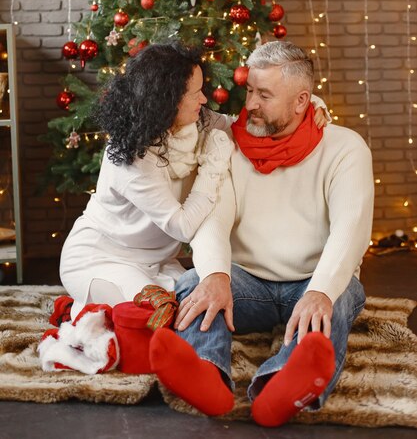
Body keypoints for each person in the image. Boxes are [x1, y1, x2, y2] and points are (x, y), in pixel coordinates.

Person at [149, 40, 374, 427]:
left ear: (303, 100)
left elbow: (350, 230)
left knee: (334, 304)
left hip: (313, 280)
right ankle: (207, 374)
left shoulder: (345, 148)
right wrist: (216, 276)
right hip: (248, 281)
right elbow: (213, 217)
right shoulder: (229, 143)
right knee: (193, 283)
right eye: (250, 89)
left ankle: (283, 385)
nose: (250, 102)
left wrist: (320, 290)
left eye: (264, 94)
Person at [59, 41, 234, 320]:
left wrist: (310, 106)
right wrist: (212, 167)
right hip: (98, 258)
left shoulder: (196, 120)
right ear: (167, 99)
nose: (204, 100)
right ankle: (82, 311)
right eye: (195, 93)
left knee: (195, 301)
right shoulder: (132, 158)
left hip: (159, 262)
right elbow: (182, 227)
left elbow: (240, 126)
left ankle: (97, 308)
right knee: (155, 311)